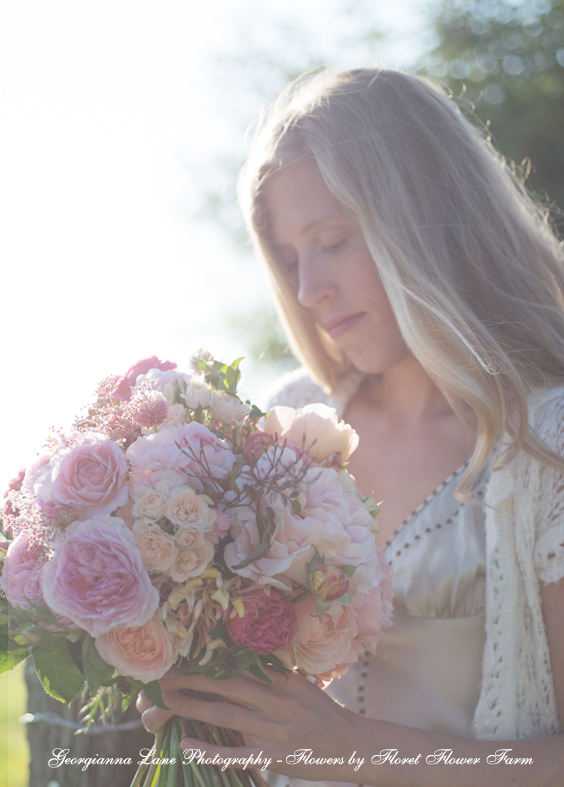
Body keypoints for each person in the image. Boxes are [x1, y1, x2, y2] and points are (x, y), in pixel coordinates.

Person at [137, 67, 564, 785]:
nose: (309, 291)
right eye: (289, 257)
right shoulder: (289, 424)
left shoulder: (546, 439)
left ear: (426, 212)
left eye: (332, 240)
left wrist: (350, 747)